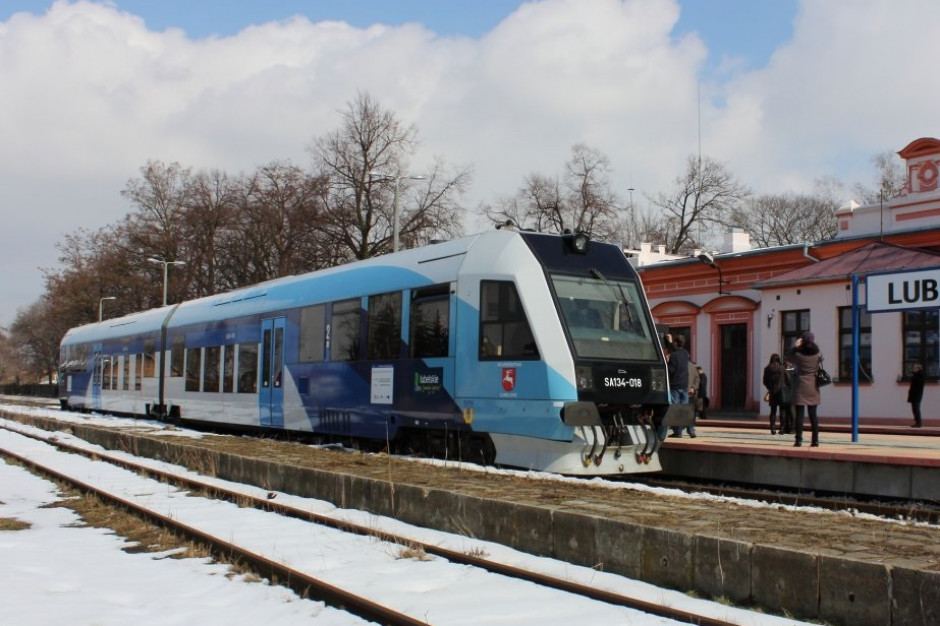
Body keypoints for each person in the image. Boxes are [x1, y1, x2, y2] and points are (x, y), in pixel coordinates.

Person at [789, 330, 823, 447]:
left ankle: (798, 440)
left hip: (800, 386)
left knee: (799, 415)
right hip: (813, 386)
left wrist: (795, 346)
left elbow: (789, 358)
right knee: (813, 415)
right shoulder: (817, 354)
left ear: (802, 341)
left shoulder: (798, 355)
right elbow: (821, 359)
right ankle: (815, 440)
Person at [661, 334, 690, 439]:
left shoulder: (673, 356)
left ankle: (675, 432)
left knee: (674, 409)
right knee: (683, 409)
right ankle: (687, 431)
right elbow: (676, 351)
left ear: (676, 343)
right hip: (684, 385)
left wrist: (667, 362)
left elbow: (670, 371)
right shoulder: (685, 354)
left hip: (675, 386)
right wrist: (669, 342)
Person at [672, 360, 699, 438]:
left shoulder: (676, 364)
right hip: (689, 392)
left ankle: (678, 431)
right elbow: (697, 379)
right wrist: (693, 388)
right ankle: (691, 431)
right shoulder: (692, 366)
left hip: (679, 391)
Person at [762, 354, 785, 435]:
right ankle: (782, 429)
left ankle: (773, 428)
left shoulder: (767, 368)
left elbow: (764, 381)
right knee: (782, 411)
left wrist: (770, 388)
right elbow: (784, 379)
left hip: (772, 391)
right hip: (781, 391)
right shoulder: (782, 368)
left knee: (773, 411)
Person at [908, 362, 926, 428]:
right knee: (914, 409)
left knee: (916, 409)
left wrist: (914, 374)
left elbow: (918, 384)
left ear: (918, 369)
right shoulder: (916, 375)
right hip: (914, 395)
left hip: (917, 395)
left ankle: (919, 423)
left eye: (915, 368)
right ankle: (917, 422)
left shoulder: (920, 375)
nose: (913, 369)